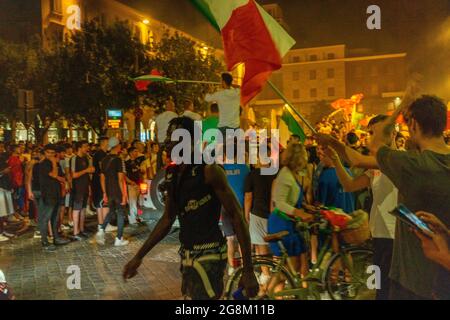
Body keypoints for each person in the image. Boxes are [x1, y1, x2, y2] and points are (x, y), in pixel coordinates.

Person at [123, 117, 258, 300]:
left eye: (174, 138)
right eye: (168, 138)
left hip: (209, 256)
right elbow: (167, 219)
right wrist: (138, 256)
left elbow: (237, 216)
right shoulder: (172, 174)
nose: (168, 143)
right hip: (187, 256)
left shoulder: (209, 170)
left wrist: (248, 270)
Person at [370, 95, 450, 300]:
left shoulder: (411, 165)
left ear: (413, 124)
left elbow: (376, 144)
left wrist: (397, 111)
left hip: (414, 279)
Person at [320, 114, 398, 300]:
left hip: (396, 236)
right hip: (379, 235)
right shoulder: (375, 168)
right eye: (370, 133)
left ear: (393, 133)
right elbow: (349, 185)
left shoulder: (399, 160)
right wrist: (336, 161)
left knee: (392, 290)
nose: (372, 138)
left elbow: (356, 160)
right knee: (379, 287)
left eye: (376, 133)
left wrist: (333, 141)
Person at [268, 143, 314, 291]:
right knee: (288, 270)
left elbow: (292, 199)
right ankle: (266, 293)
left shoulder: (293, 173)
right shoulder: (285, 175)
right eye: (304, 156)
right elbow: (279, 202)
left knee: (294, 268)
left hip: (289, 222)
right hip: (282, 223)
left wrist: (306, 207)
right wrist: (299, 213)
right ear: (298, 158)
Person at [244, 152, 276, 288]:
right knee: (275, 245)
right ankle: (278, 273)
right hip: (274, 214)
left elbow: (248, 197)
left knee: (260, 245)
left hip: (258, 213)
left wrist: (246, 214)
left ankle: (266, 274)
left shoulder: (252, 175)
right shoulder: (276, 173)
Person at [221, 147, 250, 276]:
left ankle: (232, 267)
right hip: (241, 207)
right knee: (242, 238)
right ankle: (245, 267)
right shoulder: (245, 168)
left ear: (226, 154)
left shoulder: (221, 169)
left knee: (230, 239)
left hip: (226, 208)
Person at [95, 137, 129, 247]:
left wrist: (104, 192)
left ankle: (101, 229)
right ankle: (119, 238)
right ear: (118, 146)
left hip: (109, 191)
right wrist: (124, 194)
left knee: (111, 211)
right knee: (120, 213)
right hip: (117, 191)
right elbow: (120, 179)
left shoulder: (104, 160)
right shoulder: (119, 160)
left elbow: (102, 178)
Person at [39, 144, 70, 251]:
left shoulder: (54, 163)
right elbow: (54, 175)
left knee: (55, 218)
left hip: (56, 194)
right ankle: (44, 241)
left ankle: (56, 238)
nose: (51, 155)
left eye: (53, 153)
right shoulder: (43, 164)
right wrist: (53, 163)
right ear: (45, 152)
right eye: (49, 152)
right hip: (48, 194)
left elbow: (61, 177)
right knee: (45, 218)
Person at [314, 146, 355, 214]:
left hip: (334, 218)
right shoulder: (348, 171)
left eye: (324, 156)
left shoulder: (325, 176)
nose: (321, 159)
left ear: (331, 158)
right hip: (350, 215)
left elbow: (320, 204)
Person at [70, 141, 95, 241]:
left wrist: (89, 187)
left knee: (83, 209)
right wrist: (86, 170)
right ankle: (76, 231)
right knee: (77, 209)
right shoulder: (74, 159)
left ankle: (81, 229)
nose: (87, 148)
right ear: (79, 148)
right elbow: (73, 175)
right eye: (85, 146)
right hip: (77, 188)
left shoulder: (86, 158)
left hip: (84, 187)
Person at [92, 137, 115, 232]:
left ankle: (102, 225)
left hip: (100, 179)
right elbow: (103, 168)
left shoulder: (103, 154)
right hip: (100, 180)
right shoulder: (100, 154)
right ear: (104, 142)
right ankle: (104, 224)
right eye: (108, 142)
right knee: (103, 202)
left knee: (101, 202)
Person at [155, 99, 178, 170]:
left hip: (161, 143)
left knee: (160, 163)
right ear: (171, 106)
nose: (174, 108)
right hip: (171, 143)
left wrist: (159, 141)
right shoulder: (175, 116)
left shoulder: (159, 117)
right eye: (174, 106)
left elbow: (155, 130)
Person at [125, 147, 141, 227]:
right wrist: (130, 182)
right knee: (133, 202)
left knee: (138, 201)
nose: (137, 152)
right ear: (130, 153)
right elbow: (124, 175)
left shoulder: (137, 161)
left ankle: (138, 216)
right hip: (131, 185)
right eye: (135, 151)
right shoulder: (126, 163)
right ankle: (132, 220)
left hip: (138, 184)